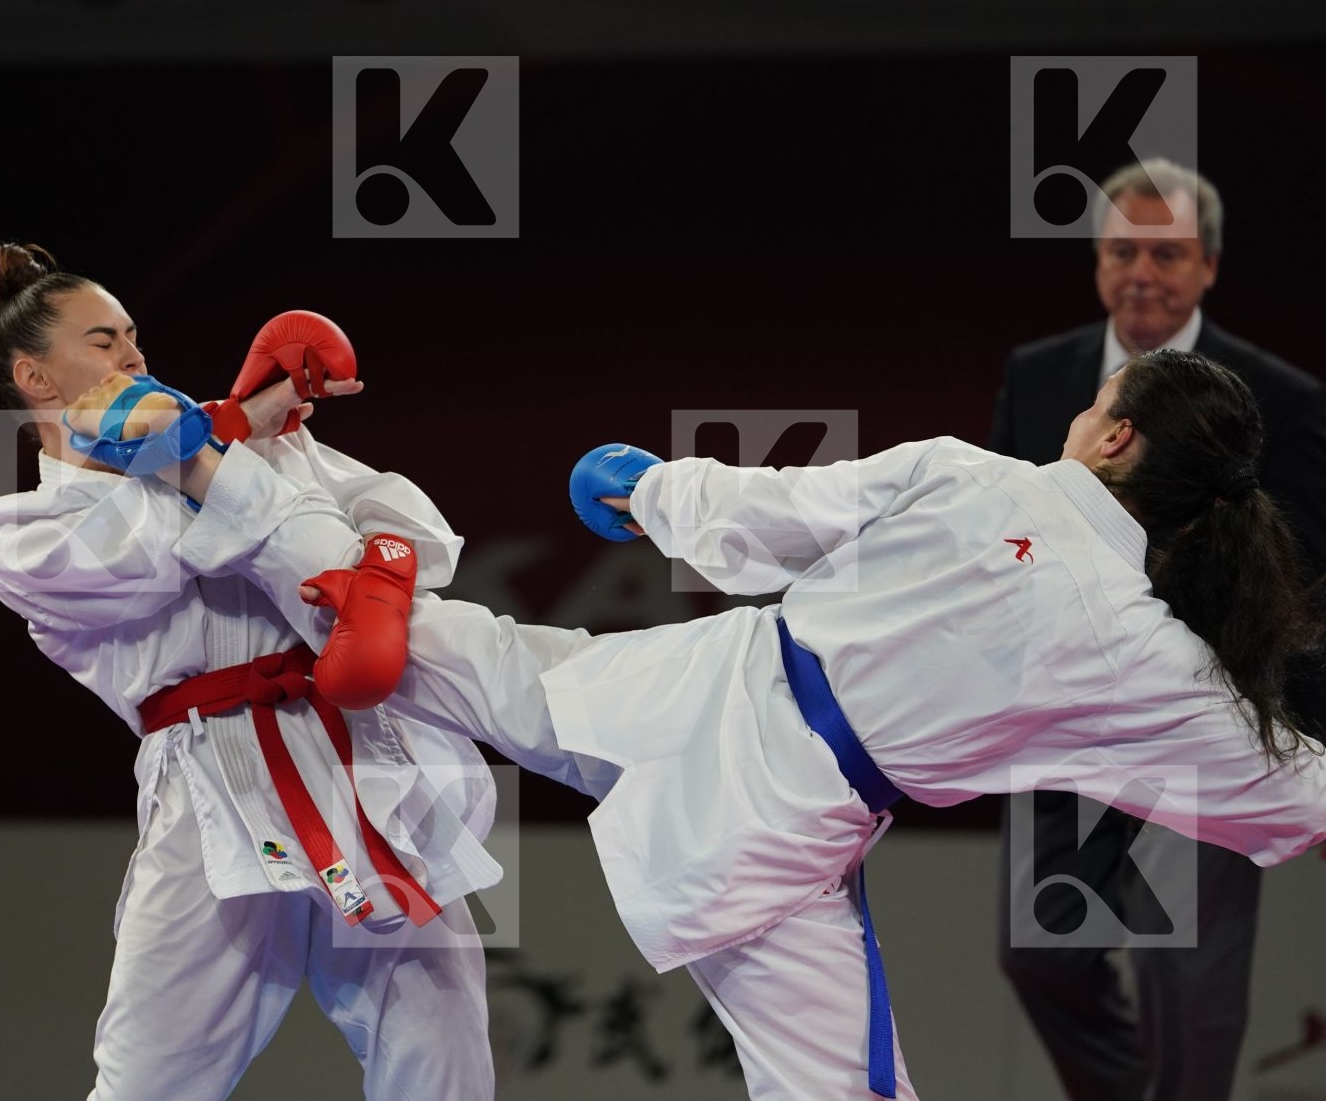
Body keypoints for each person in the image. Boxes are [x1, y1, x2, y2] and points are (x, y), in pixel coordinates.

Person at [212, 348, 1326, 1100]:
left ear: (1118, 438)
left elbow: (771, 514)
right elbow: (1296, 795)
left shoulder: (971, 476)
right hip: (776, 831)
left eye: (1098, 403)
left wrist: (647, 489)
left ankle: (226, 462)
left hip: (688, 687)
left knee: (436, 642)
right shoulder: (1151, 659)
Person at [0, 243, 503, 1101]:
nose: (134, 356)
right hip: (211, 792)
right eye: (103, 343)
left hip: (358, 761)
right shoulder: (19, 531)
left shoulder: (251, 445)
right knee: (151, 1080)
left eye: (134, 337)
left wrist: (236, 438)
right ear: (35, 378)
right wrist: (221, 436)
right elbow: (150, 558)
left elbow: (418, 541)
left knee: (442, 1048)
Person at [989, 158, 1326, 1100]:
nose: (1143, 270)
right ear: (1097, 261)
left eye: (1167, 252)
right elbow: (1006, 534)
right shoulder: (1041, 375)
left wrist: (1289, 721)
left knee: (1186, 985)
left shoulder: (1277, 397)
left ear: (1208, 266)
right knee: (1038, 955)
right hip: (1062, 723)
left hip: (1197, 719)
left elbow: (1308, 577)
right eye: (1122, 249)